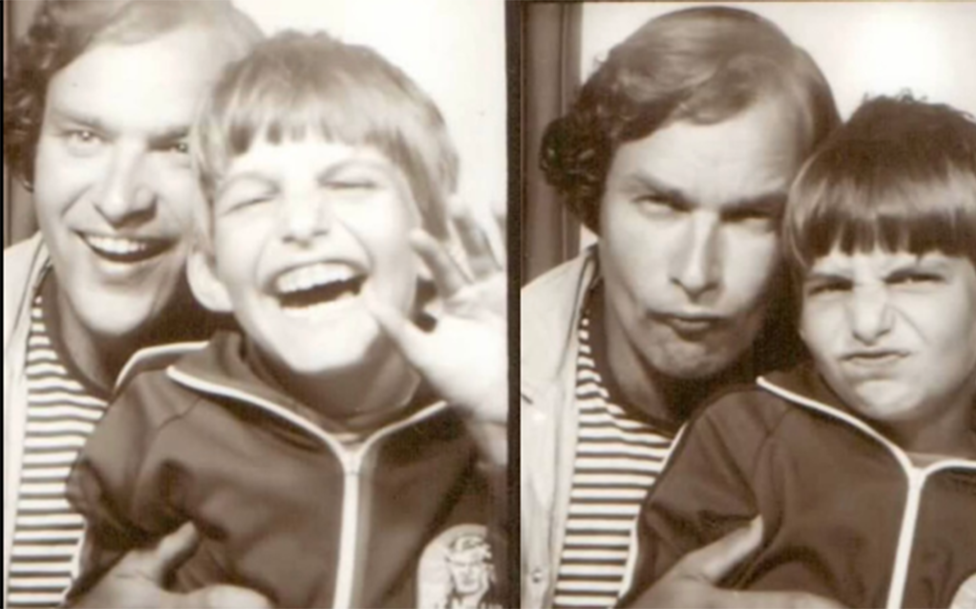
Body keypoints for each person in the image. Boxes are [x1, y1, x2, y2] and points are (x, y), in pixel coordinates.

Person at [62, 31, 507, 609]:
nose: (301, 223)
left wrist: (503, 424)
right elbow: (100, 588)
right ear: (212, 272)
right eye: (254, 199)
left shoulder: (497, 417)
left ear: (433, 243)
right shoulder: (156, 418)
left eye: (349, 184)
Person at [621, 95, 976, 609]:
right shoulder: (742, 439)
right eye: (831, 287)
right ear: (800, 314)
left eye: (912, 279)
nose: (867, 323)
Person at [520, 6, 845, 608]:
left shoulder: (866, 406)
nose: (697, 273)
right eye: (663, 205)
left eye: (752, 216)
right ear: (594, 196)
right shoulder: (492, 375)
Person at [2, 1, 273, 607]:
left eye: (179, 146)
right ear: (31, 144)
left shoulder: (320, 378)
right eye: (85, 135)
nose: (121, 199)